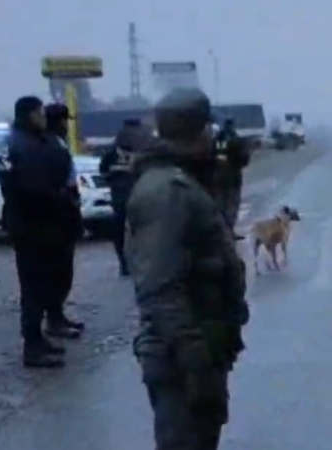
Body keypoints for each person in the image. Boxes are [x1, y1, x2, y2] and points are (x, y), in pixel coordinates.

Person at [125, 88, 249, 450]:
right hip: (181, 357)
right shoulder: (168, 191)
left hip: (196, 349)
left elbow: (215, 222)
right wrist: (196, 360)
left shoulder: (183, 179)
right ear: (199, 131)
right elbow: (160, 289)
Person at [0, 97, 72, 368]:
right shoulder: (22, 145)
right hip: (34, 225)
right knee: (33, 287)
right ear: (30, 115)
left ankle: (38, 339)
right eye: (41, 113)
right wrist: (59, 196)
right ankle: (32, 346)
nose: (44, 118)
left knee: (39, 285)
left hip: (34, 223)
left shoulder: (24, 141)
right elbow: (33, 188)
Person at [43, 104, 85, 338]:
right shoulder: (50, 145)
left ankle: (58, 315)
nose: (66, 125)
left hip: (66, 212)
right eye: (63, 121)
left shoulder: (58, 144)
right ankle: (54, 319)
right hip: (58, 215)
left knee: (64, 270)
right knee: (57, 270)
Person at [99, 119, 150, 276]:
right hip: (131, 195)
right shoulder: (143, 148)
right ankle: (128, 262)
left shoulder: (140, 150)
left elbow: (104, 172)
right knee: (133, 229)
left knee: (130, 230)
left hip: (128, 195)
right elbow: (103, 171)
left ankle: (129, 262)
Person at [213, 119, 251, 238]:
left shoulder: (218, 139)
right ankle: (228, 232)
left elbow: (218, 157)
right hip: (233, 177)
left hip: (218, 177)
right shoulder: (236, 139)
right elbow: (244, 159)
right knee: (231, 206)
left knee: (220, 206)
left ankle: (221, 232)